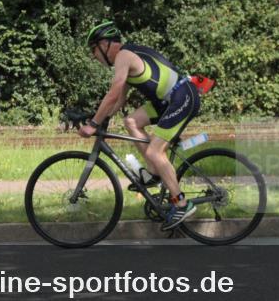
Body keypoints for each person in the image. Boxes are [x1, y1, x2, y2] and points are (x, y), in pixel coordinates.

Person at [77, 20, 201, 230]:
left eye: (94, 50)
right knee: (131, 121)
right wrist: (102, 118)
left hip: (182, 97)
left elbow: (113, 92)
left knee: (155, 152)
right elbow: (119, 100)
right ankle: (153, 173)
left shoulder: (123, 57)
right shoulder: (127, 56)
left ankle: (181, 203)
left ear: (106, 44)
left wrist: (93, 124)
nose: (94, 56)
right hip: (168, 100)